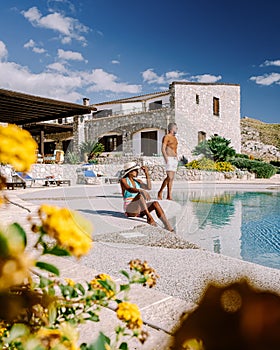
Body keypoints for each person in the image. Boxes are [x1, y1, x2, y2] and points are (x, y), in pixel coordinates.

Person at [120, 161, 174, 232]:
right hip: (130, 209)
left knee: (155, 203)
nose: (137, 172)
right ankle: (149, 217)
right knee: (139, 196)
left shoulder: (137, 182)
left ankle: (168, 226)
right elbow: (129, 189)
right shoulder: (123, 180)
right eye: (135, 171)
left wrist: (146, 173)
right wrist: (140, 190)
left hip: (140, 209)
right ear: (130, 172)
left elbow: (149, 187)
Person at [157, 122, 178, 200]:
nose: (177, 130)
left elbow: (175, 149)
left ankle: (169, 195)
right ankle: (160, 191)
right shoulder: (166, 137)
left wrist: (176, 157)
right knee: (169, 177)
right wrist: (166, 158)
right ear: (172, 129)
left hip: (174, 159)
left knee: (171, 178)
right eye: (176, 128)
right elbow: (163, 148)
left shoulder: (175, 138)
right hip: (168, 158)